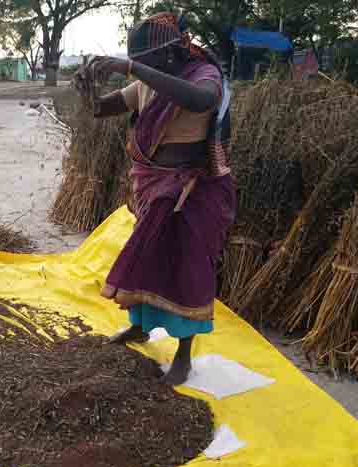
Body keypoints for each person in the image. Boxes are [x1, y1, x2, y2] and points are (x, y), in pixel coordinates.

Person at [84, 13, 236, 385]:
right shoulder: (147, 84)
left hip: (193, 191)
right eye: (140, 61)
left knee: (186, 268)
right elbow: (102, 108)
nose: (143, 68)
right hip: (153, 187)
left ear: (170, 53)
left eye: (148, 60)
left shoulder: (203, 75)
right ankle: (139, 329)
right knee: (147, 259)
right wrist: (85, 86)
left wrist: (133, 67)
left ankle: (183, 356)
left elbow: (201, 100)